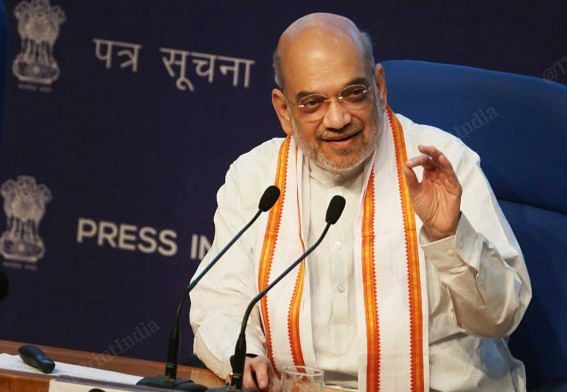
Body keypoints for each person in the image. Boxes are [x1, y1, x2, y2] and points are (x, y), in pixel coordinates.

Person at [189, 12, 531, 392]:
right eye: (312, 103)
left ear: (379, 87)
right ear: (284, 110)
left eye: (353, 93)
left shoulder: (442, 162)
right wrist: (245, 354)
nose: (337, 119)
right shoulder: (256, 177)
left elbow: (500, 317)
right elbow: (219, 300)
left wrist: (449, 235)